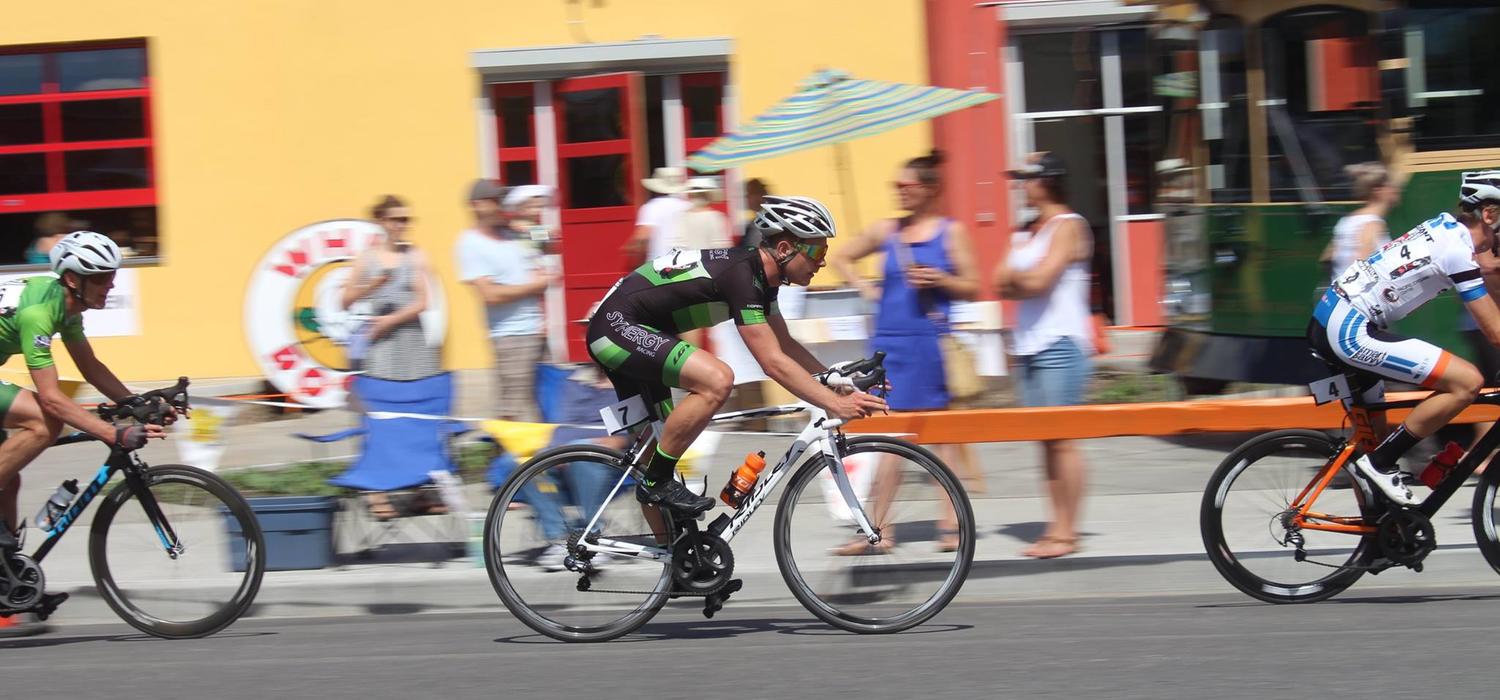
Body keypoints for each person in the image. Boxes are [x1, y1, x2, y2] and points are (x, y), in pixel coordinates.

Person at [586, 195, 887, 514]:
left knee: (655, 456)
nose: (823, 262)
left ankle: (677, 558)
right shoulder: (742, 275)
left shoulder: (762, 279)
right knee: (717, 379)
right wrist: (833, 403)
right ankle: (655, 482)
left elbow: (783, 344)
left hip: (637, 331)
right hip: (616, 328)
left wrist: (832, 380)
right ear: (784, 249)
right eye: (817, 251)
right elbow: (772, 363)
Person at [1312, 171, 1500, 505]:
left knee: (1372, 440)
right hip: (1350, 328)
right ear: (1488, 214)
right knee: (1467, 381)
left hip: (1334, 320)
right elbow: (1495, 332)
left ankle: (1374, 544)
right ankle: (1380, 464)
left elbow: (1491, 270)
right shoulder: (1456, 250)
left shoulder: (1446, 227)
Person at [827, 150, 979, 553]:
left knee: (940, 436)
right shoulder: (887, 231)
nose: (900, 193)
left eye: (906, 186)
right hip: (889, 345)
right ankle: (879, 530)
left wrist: (940, 278)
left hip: (927, 344)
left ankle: (951, 524)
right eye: (896, 187)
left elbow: (973, 286)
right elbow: (841, 255)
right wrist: (865, 287)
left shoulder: (951, 232)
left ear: (929, 189)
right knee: (887, 437)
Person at [0, 232, 166, 563]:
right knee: (45, 421)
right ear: (73, 279)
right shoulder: (39, 313)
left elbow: (90, 367)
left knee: (8, 480)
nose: (111, 285)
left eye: (113, 276)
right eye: (102, 278)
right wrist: (111, 433)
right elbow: (51, 399)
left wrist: (137, 404)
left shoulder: (69, 307)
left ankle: (8, 577)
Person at [994, 152, 1095, 559]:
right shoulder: (1025, 231)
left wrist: (1020, 281)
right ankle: (1055, 527)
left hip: (1061, 345)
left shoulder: (1069, 226)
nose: (1021, 185)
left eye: (1027, 178)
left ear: (1047, 181)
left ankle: (1067, 533)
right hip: (1029, 346)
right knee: (1045, 442)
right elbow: (1000, 282)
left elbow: (1038, 281)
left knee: (1063, 441)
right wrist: (1022, 282)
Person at [456, 179, 553, 421]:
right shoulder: (470, 243)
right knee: (516, 409)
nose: (500, 205)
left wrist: (535, 217)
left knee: (545, 402)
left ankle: (549, 456)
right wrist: (535, 285)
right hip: (512, 336)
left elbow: (550, 241)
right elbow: (491, 295)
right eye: (493, 201)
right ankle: (516, 457)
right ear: (476, 205)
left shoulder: (511, 233)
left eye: (501, 200)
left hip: (536, 330)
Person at [1325, 162, 1399, 280]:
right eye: (1390, 185)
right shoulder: (1372, 224)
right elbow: (1360, 265)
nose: (1395, 189)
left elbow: (1328, 257)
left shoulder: (1346, 221)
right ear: (1378, 190)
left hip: (1340, 293)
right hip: (1358, 295)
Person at [624, 167, 693, 263]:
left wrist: (631, 249)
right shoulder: (688, 206)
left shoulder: (651, 207)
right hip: (685, 260)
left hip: (659, 262)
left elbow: (643, 237)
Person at [741, 178, 771, 248]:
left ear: (759, 196)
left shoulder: (767, 223)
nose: (746, 198)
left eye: (749, 194)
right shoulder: (752, 224)